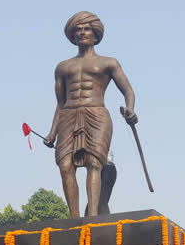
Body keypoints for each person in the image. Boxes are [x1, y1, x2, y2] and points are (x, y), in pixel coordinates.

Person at [43, 11, 137, 217]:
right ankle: (74, 219)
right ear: (72, 36)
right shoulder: (63, 67)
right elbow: (60, 102)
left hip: (97, 114)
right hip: (68, 114)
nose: (82, 33)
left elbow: (128, 90)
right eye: (77, 30)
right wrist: (52, 133)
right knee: (65, 165)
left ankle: (92, 217)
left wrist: (130, 109)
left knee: (94, 163)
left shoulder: (108, 63)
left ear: (95, 35)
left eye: (86, 29)